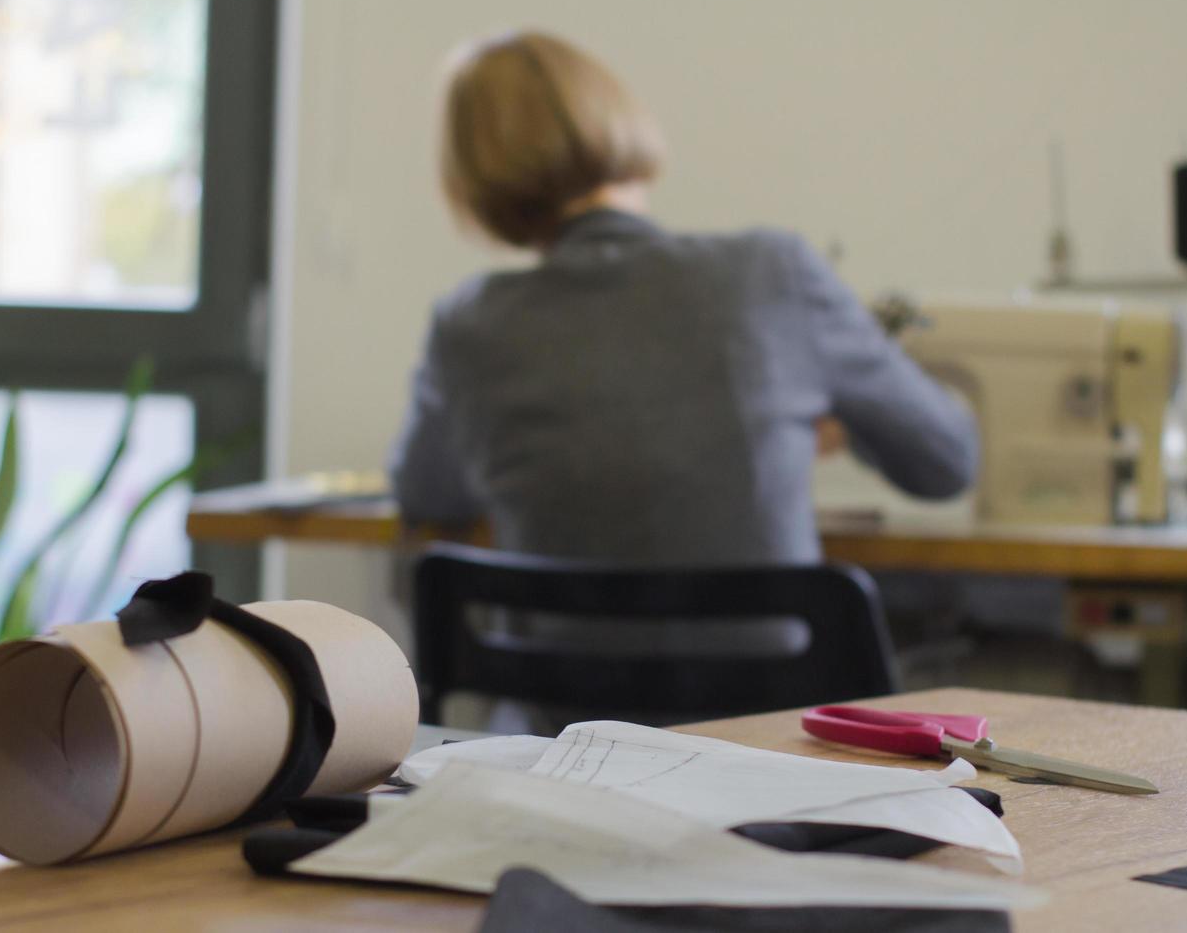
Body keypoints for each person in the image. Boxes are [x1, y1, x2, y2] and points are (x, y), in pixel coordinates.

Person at [390, 31, 977, 568]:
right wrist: (847, 427)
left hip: (559, 685)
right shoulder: (772, 274)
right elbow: (946, 463)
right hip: (782, 686)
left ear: (472, 179)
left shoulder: (468, 324)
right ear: (617, 120)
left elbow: (426, 492)